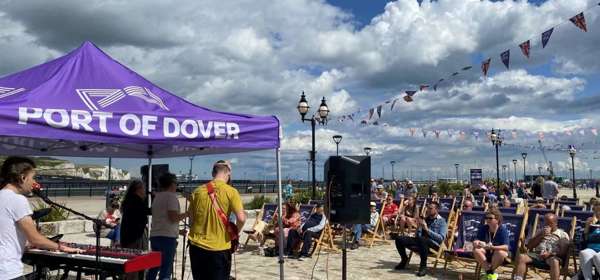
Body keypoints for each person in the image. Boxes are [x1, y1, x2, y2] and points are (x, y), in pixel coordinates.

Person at [0, 156, 82, 279]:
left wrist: (26, 245)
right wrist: (60, 247)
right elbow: (35, 239)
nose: (34, 182)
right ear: (23, 177)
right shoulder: (17, 200)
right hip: (7, 271)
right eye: (33, 178)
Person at [188, 160, 246, 280]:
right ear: (228, 174)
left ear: (212, 173)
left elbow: (191, 218)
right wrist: (235, 233)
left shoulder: (197, 191)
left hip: (196, 247)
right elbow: (241, 218)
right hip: (219, 248)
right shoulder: (231, 191)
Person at [147, 173, 188, 280]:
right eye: (176, 183)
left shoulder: (157, 197)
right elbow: (173, 218)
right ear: (172, 184)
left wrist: (178, 231)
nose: (176, 186)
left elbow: (162, 220)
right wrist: (188, 214)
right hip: (167, 238)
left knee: (154, 267)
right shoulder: (171, 197)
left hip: (155, 236)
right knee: (166, 270)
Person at [393, 201, 447, 277]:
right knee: (399, 238)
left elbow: (441, 239)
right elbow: (418, 235)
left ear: (437, 210)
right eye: (428, 208)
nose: (428, 210)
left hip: (433, 244)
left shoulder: (442, 221)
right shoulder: (425, 219)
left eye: (430, 208)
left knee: (422, 239)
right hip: (420, 242)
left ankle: (423, 266)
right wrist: (418, 227)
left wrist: (427, 229)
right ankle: (404, 259)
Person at [514, 213, 570, 280]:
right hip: (538, 255)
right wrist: (541, 236)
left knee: (554, 261)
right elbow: (529, 246)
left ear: (556, 223)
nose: (547, 226)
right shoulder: (540, 231)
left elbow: (563, 251)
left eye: (550, 223)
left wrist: (550, 254)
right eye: (545, 223)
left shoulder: (562, 234)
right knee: (522, 257)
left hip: (552, 257)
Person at [120, 179, 151, 280]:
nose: (145, 191)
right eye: (143, 188)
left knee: (130, 266)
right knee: (136, 265)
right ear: (138, 189)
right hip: (135, 237)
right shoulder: (137, 201)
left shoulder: (129, 200)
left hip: (127, 236)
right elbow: (146, 214)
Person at [472, 209, 510, 280]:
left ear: (497, 220)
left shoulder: (502, 230)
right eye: (486, 218)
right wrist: (477, 242)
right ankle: (490, 273)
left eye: (490, 218)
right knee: (476, 250)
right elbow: (476, 240)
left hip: (498, 254)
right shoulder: (484, 228)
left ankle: (489, 273)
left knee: (500, 253)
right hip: (487, 253)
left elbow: (506, 247)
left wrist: (492, 247)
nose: (488, 220)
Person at [576, 201, 600, 280]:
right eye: (597, 211)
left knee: (597, 256)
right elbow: (585, 239)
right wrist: (587, 226)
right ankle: (587, 278)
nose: (598, 213)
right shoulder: (590, 220)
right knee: (584, 253)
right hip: (591, 248)